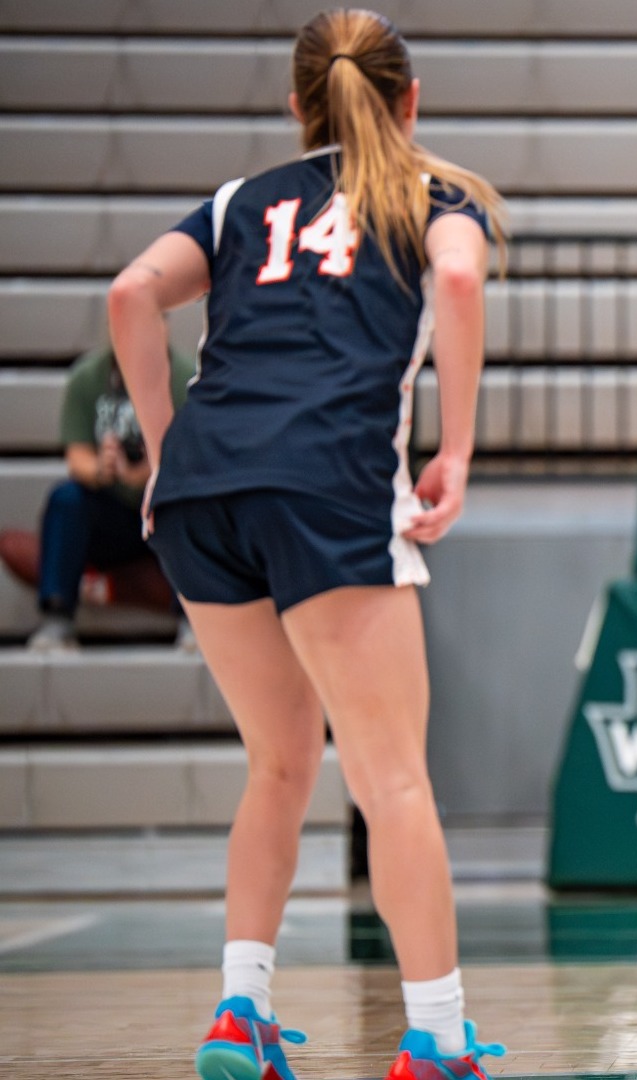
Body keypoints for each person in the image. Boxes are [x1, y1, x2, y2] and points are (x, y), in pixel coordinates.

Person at [106, 10, 506, 1079]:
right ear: (410, 99)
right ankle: (438, 1038)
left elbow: (130, 292)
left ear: (298, 105)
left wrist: (165, 449)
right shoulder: (434, 197)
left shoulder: (239, 201)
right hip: (325, 479)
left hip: (201, 491)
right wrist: (456, 450)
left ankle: (241, 1009)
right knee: (393, 779)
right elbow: (458, 282)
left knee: (278, 763)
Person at [24, 344, 197, 652]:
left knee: (192, 507)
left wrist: (153, 469)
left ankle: (193, 619)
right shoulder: (88, 377)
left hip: (164, 505)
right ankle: (57, 616)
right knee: (66, 499)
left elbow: (197, 460)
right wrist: (102, 469)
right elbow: (77, 457)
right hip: (111, 509)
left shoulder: (186, 379)